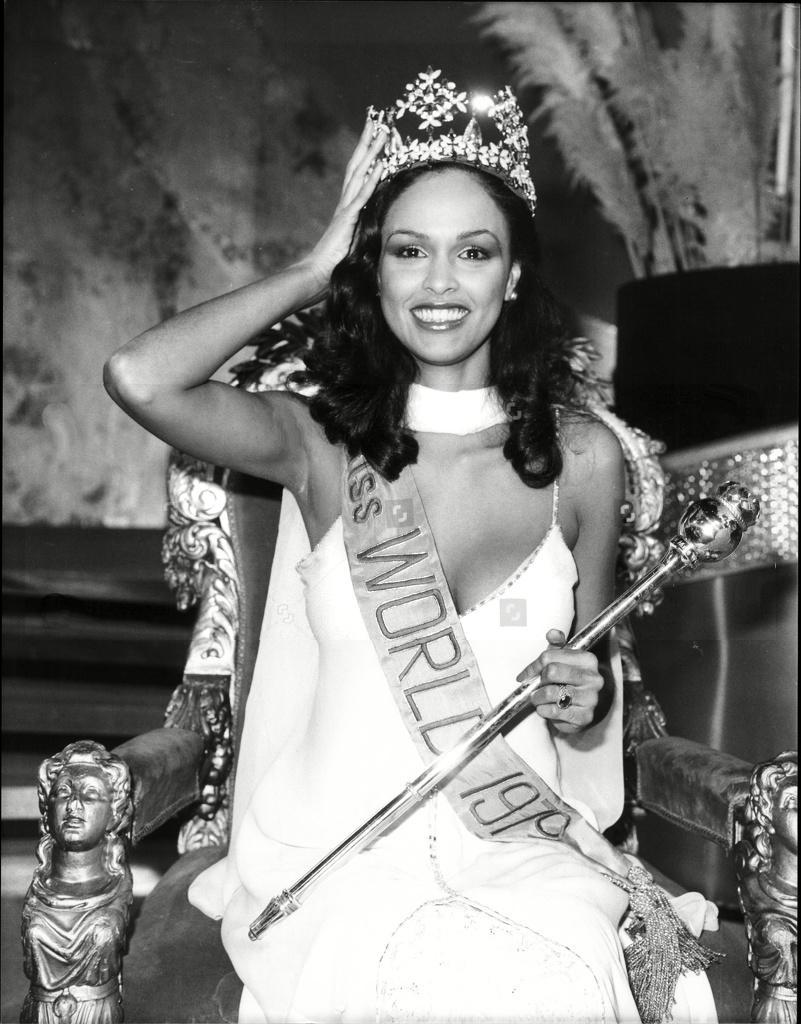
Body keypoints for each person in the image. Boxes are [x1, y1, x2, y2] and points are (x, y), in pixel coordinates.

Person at [105, 69, 718, 1024]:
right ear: (375, 270)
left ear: (512, 276)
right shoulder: (318, 444)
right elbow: (140, 378)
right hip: (336, 853)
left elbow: (587, 689)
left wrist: (583, 697)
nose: (438, 283)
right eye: (406, 251)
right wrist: (313, 267)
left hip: (520, 849)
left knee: (552, 980)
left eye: (472, 252)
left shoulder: (582, 460)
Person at [21, 741, 133, 1024]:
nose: (73, 805)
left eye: (90, 794)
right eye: (63, 792)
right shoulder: (39, 889)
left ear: (114, 813)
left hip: (99, 1010)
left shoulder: (116, 889)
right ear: (47, 808)